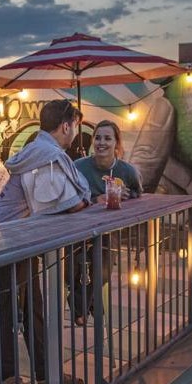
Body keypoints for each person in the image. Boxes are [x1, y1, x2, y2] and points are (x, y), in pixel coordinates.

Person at [0, 100, 91, 384]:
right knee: (11, 310)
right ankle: (8, 376)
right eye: (76, 125)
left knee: (33, 308)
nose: (76, 132)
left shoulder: (41, 151)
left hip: (16, 240)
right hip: (3, 242)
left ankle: (44, 372)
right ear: (66, 125)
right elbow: (66, 203)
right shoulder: (45, 156)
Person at [72, 120, 143, 323]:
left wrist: (127, 199)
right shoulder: (79, 167)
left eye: (107, 138)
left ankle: (81, 309)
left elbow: (140, 196)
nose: (101, 142)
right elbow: (69, 196)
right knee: (71, 273)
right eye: (98, 137)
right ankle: (90, 305)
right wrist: (95, 200)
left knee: (102, 272)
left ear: (116, 144)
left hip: (108, 230)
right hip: (79, 226)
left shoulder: (127, 171)